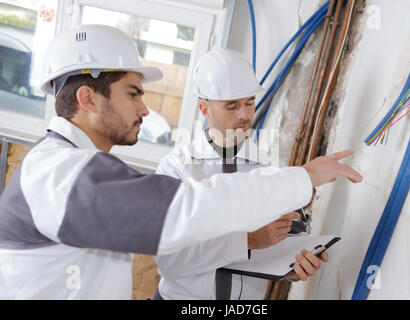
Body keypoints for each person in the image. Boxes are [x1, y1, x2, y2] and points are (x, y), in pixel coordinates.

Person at [0, 25, 362, 299]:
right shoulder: (60, 174)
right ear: (88, 98)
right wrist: (303, 178)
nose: (144, 109)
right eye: (132, 93)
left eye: (248, 102)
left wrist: (287, 257)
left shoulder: (69, 167)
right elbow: (188, 211)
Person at [153, 48, 357, 300]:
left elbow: (289, 240)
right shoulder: (175, 169)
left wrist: (298, 264)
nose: (245, 114)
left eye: (249, 102)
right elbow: (168, 260)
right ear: (204, 109)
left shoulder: (270, 168)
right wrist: (247, 241)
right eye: (232, 106)